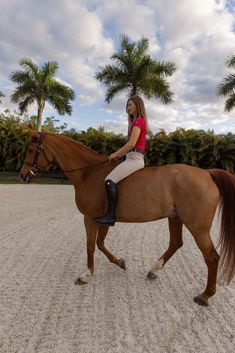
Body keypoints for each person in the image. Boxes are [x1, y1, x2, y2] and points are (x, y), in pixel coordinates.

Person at [94, 95, 148, 226]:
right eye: (127, 105)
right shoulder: (135, 122)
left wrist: (115, 154)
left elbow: (131, 144)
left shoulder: (139, 121)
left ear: (138, 105)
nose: (128, 108)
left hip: (135, 159)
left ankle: (110, 216)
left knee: (109, 180)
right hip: (130, 157)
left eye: (130, 104)